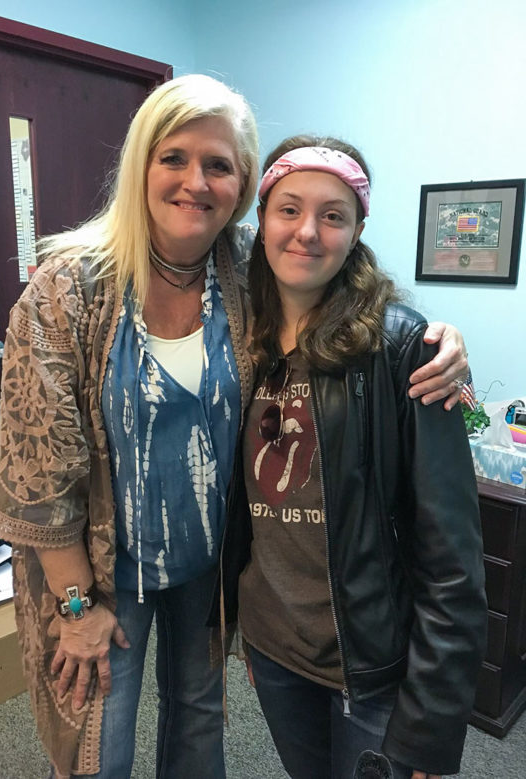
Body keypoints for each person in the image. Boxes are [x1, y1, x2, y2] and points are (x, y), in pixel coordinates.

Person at [0, 76, 470, 779]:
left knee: (198, 728)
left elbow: (336, 273)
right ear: (141, 165)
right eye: (175, 157)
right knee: (100, 746)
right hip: (97, 570)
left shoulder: (241, 271)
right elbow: (36, 475)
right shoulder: (69, 291)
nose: (196, 182)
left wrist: (440, 341)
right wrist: (74, 603)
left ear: (242, 183)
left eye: (219, 164)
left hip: (207, 565)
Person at [214, 136, 487, 779]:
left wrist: (429, 726)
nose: (307, 232)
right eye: (289, 209)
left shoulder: (405, 352)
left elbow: (454, 558)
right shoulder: (237, 337)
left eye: (332, 215)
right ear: (261, 218)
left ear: (357, 229)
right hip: (275, 650)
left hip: (369, 669)